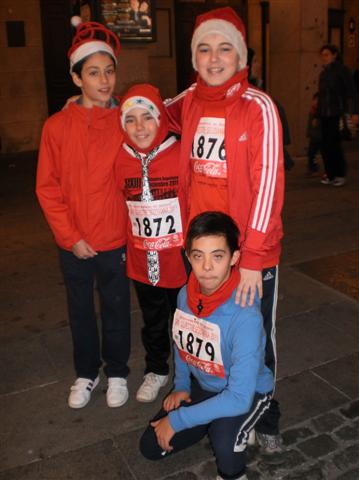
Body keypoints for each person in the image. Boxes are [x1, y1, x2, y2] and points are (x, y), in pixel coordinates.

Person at [165, 6, 284, 452]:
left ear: (241, 55)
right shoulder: (190, 100)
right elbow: (149, 111)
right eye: (204, 49)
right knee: (208, 329)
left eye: (224, 48)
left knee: (259, 340)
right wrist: (96, 108)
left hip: (248, 256)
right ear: (194, 58)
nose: (214, 58)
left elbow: (269, 186)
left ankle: (267, 419)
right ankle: (220, 403)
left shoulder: (259, 107)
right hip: (202, 252)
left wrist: (252, 258)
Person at [36, 20, 131, 409]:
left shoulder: (127, 120)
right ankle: (86, 373)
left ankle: (119, 373)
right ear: (77, 78)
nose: (104, 81)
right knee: (80, 312)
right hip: (73, 241)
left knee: (117, 309)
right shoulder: (56, 127)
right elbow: (47, 187)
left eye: (109, 71)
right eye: (93, 73)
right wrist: (69, 236)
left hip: (114, 237)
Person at [140, 211, 274, 480]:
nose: (207, 267)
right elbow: (181, 342)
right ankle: (211, 418)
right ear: (188, 256)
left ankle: (236, 451)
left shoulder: (244, 314)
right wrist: (181, 386)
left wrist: (179, 420)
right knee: (150, 447)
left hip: (247, 393)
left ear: (234, 258)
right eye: (198, 256)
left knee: (224, 442)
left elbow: (238, 398)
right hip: (205, 386)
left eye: (218, 256)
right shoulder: (185, 295)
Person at [117, 84, 187, 403]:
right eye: (130, 120)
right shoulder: (120, 157)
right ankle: (156, 369)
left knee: (185, 320)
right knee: (154, 320)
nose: (140, 127)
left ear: (160, 119)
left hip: (180, 260)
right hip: (143, 261)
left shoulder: (180, 153)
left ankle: (189, 375)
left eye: (147, 117)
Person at [318, 44, 359, 186]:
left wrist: (354, 111)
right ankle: (330, 174)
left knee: (334, 144)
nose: (324, 58)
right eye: (322, 55)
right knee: (325, 145)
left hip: (336, 113)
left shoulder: (342, 71)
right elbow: (322, 96)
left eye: (327, 54)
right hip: (324, 113)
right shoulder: (323, 73)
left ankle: (339, 174)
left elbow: (351, 92)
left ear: (334, 55)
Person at [306, 92, 322, 176]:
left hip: (320, 137)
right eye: (314, 100)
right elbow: (310, 125)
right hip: (314, 136)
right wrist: (309, 133)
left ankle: (315, 169)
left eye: (317, 101)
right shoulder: (312, 111)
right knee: (311, 153)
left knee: (317, 153)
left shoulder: (321, 113)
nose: (315, 102)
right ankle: (313, 169)